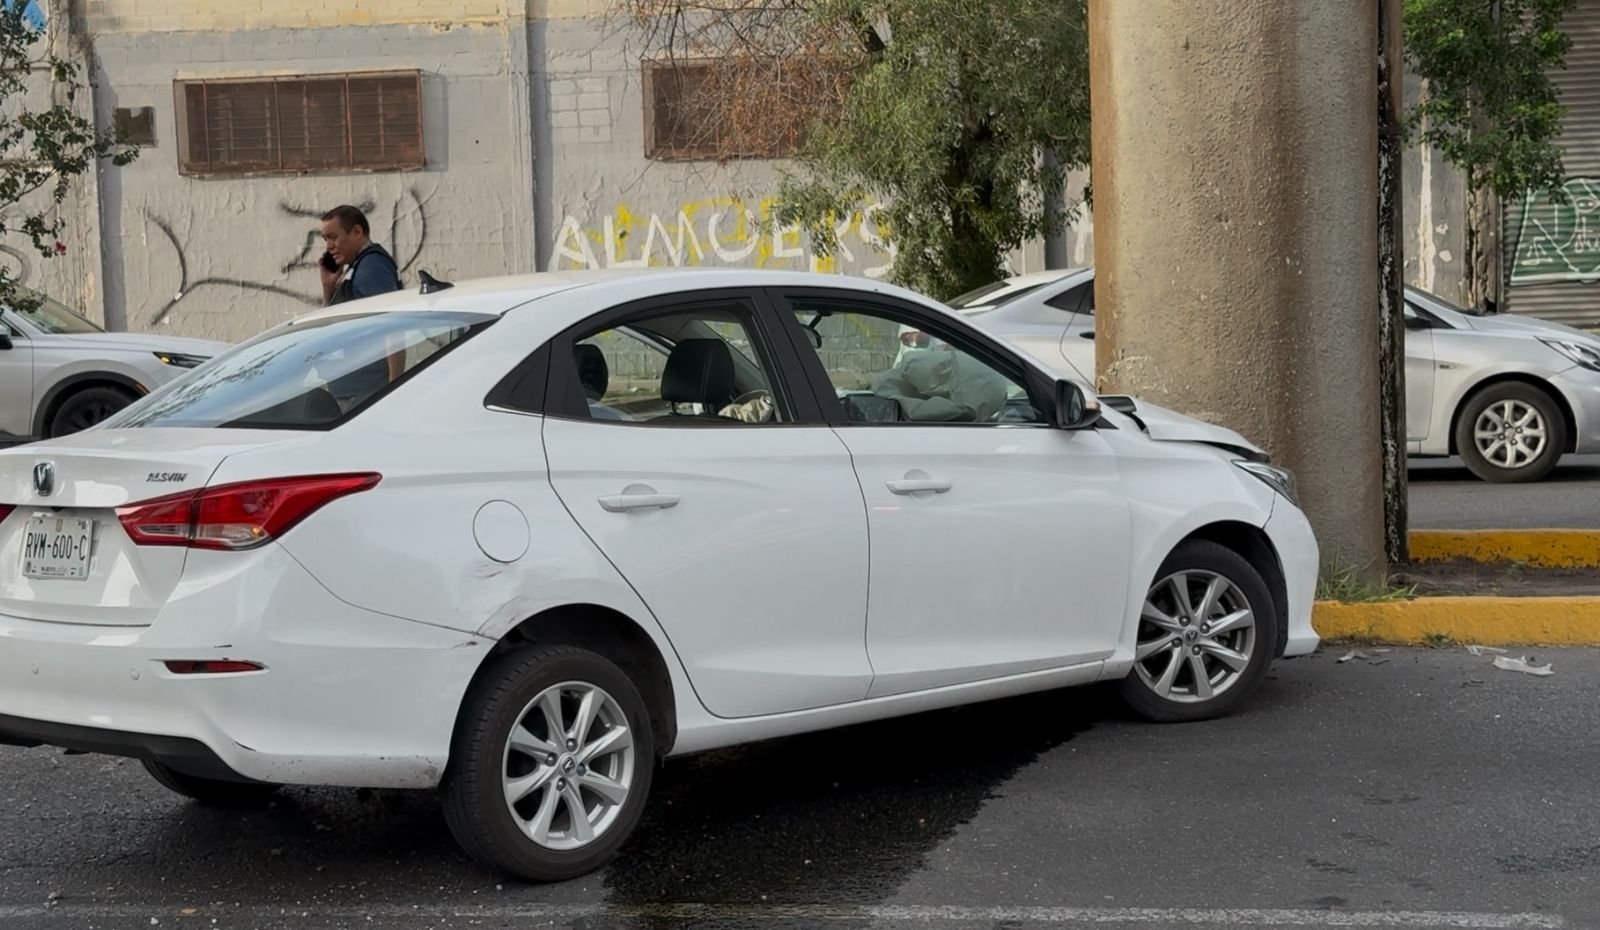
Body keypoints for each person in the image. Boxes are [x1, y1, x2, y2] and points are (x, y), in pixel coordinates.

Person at [317, 205, 405, 408]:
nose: (329, 246)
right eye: (325, 239)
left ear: (357, 232)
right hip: (353, 391)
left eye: (333, 237)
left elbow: (392, 324)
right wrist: (328, 287)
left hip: (367, 393)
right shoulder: (357, 268)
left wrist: (394, 388)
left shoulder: (371, 267)